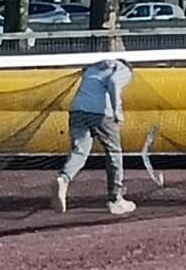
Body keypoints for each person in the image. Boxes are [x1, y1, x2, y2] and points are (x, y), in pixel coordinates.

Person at [55, 57, 135, 217]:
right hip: (100, 113)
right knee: (114, 153)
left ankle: (63, 178)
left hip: (77, 110)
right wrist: (118, 113)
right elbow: (113, 83)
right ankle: (115, 198)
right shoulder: (122, 69)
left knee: (80, 150)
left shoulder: (93, 66)